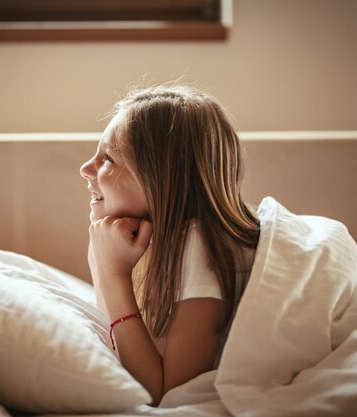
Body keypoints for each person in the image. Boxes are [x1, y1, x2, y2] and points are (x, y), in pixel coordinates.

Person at [79, 84, 260, 406]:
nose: (86, 169)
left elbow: (168, 395)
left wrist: (111, 276)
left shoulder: (199, 244)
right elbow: (118, 344)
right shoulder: (164, 244)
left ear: (161, 175)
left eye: (107, 158)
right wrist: (102, 260)